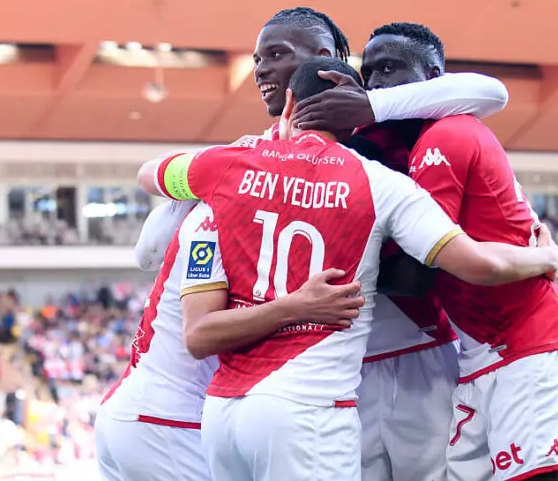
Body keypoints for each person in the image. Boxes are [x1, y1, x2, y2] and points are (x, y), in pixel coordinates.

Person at [137, 56, 558, 481]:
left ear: (288, 104)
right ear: (356, 121)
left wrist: (204, 178)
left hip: (224, 417)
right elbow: (478, 264)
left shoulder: (228, 164)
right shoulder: (383, 185)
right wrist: (545, 257)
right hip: (309, 411)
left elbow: (151, 175)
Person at [353, 23, 558, 481]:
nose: (377, 83)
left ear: (434, 75)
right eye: (369, 73)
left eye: (389, 68)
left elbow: (420, 269)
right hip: (482, 352)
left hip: (528, 342)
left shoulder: (444, 137)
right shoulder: (415, 143)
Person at [95, 200, 362, 481]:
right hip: (167, 423)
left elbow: (145, 254)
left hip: (135, 414)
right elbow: (199, 335)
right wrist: (297, 308)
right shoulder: (214, 219)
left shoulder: (209, 200)